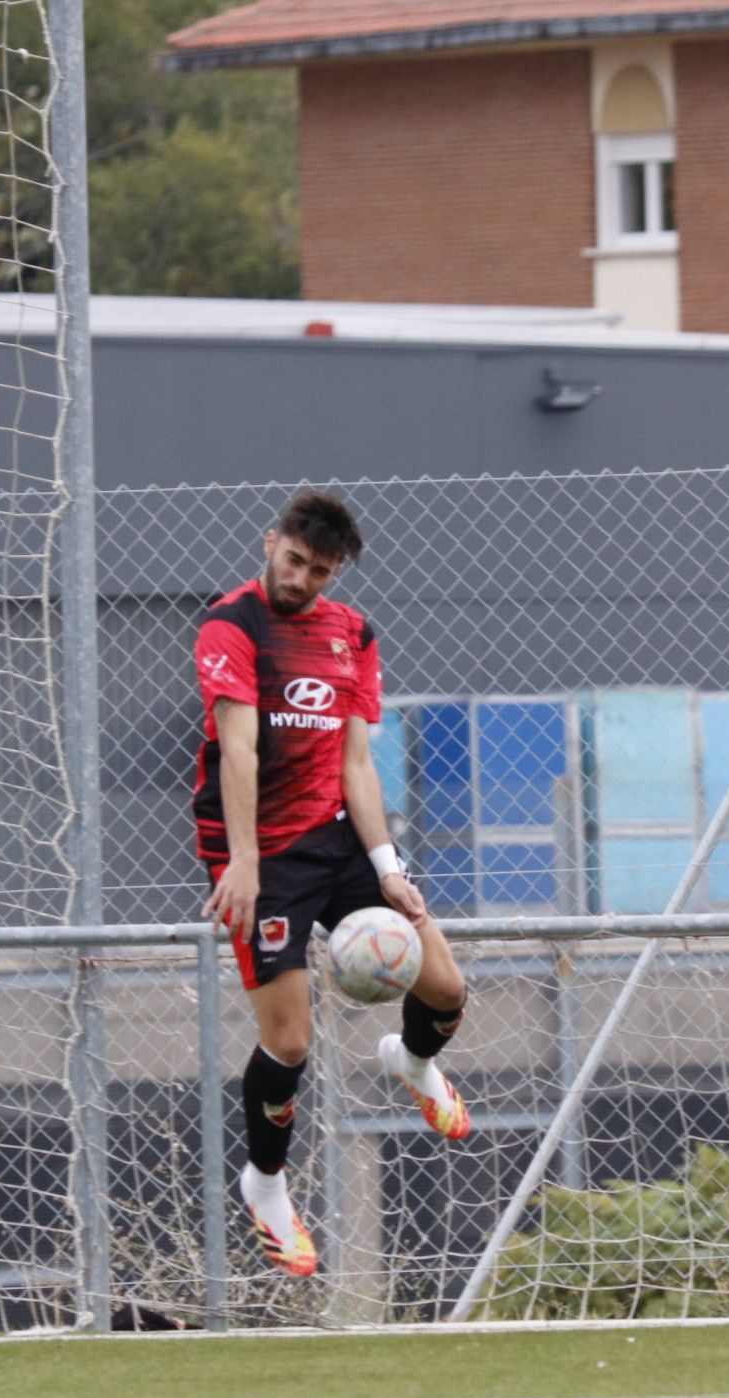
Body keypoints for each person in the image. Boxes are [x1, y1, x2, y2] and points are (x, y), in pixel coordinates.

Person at [194, 489, 472, 1278]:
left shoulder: (352, 633)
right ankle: (266, 1182)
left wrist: (388, 868)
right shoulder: (232, 625)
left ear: (336, 570)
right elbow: (238, 749)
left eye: (319, 571)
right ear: (270, 542)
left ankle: (413, 1063)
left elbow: (356, 762)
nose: (301, 580)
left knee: (447, 986)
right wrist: (244, 862)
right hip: (261, 854)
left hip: (336, 837)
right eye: (293, 561)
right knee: (289, 1041)